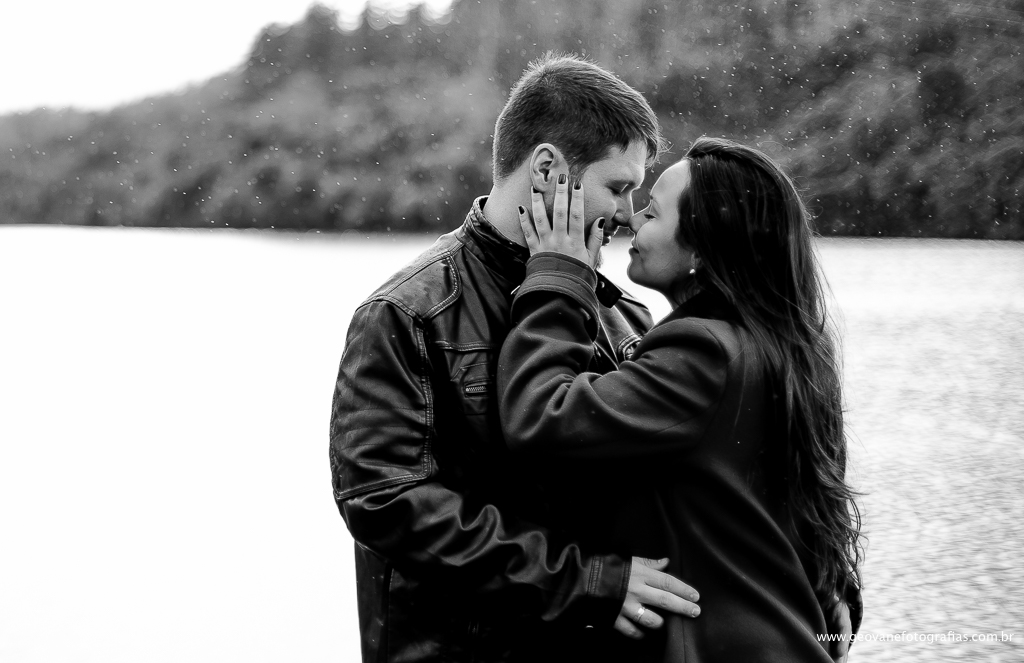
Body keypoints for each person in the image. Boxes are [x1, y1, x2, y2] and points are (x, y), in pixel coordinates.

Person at [329, 54, 701, 662]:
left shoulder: (623, 315)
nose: (627, 216)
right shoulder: (407, 312)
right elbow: (387, 501)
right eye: (617, 187)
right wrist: (585, 582)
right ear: (549, 169)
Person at [496, 137, 864, 662]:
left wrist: (557, 280)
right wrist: (838, 589)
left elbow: (541, 418)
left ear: (702, 248)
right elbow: (800, 508)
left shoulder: (704, 352)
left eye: (651, 211)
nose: (630, 222)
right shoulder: (784, 348)